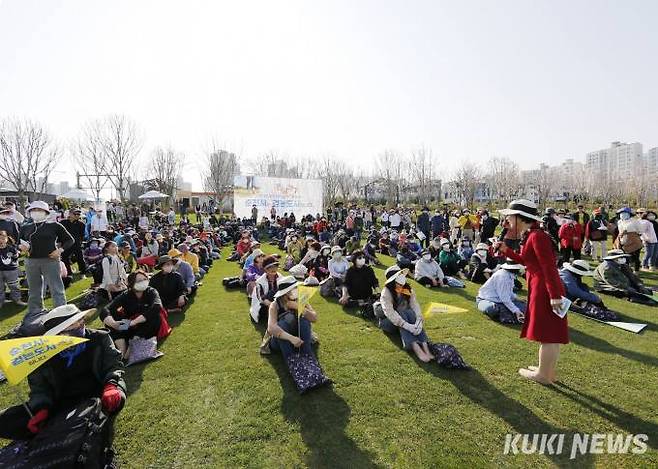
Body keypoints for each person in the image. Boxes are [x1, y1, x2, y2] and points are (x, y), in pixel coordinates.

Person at [0, 304, 126, 453]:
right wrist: (42, 408)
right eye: (73, 325)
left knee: (117, 397)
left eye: (81, 321)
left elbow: (114, 365)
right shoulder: (42, 354)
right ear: (59, 333)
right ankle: (53, 431)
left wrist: (111, 385)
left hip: (97, 395)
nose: (80, 325)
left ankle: (80, 428)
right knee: (8, 419)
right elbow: (40, 388)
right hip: (60, 403)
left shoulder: (99, 338)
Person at [496, 199, 566, 385]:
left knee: (547, 334)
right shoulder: (534, 235)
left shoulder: (537, 237)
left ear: (520, 217)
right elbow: (528, 261)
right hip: (541, 286)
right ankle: (547, 371)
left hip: (545, 288)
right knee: (551, 334)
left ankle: (543, 375)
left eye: (510, 216)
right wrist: (506, 251)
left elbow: (548, 267)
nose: (508, 220)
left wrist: (554, 296)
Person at [18, 201, 75, 334]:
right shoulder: (25, 227)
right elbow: (18, 243)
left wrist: (59, 250)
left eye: (39, 209)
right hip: (31, 261)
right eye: (34, 209)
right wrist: (21, 248)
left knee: (56, 288)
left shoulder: (54, 225)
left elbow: (69, 240)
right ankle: (35, 313)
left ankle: (61, 313)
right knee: (34, 289)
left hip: (50, 260)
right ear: (30, 212)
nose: (36, 212)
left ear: (46, 212)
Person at [101, 270, 163, 359]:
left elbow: (157, 306)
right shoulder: (126, 295)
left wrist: (133, 322)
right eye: (139, 281)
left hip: (144, 325)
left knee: (156, 317)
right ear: (132, 283)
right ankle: (122, 350)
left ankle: (134, 342)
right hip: (130, 325)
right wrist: (114, 324)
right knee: (113, 318)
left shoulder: (151, 291)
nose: (143, 282)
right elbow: (106, 309)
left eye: (145, 279)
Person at [378, 265, 435, 362]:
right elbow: (390, 314)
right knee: (401, 312)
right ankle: (414, 345)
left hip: (406, 317)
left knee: (409, 311)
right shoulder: (386, 293)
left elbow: (414, 304)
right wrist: (407, 326)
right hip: (389, 322)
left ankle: (424, 344)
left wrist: (418, 320)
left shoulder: (407, 289)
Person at [0, 230, 26, 307]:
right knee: (0, 287)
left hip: (11, 270)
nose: (1, 240)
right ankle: (1, 301)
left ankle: (17, 299)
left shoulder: (11, 248)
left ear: (7, 239)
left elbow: (16, 257)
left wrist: (17, 254)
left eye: (3, 238)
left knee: (14, 286)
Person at [59, 207, 87, 277]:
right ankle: (68, 272)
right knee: (65, 258)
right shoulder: (62, 223)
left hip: (76, 243)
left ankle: (83, 272)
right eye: (75, 214)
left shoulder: (81, 224)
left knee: (80, 258)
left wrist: (79, 241)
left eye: (78, 214)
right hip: (66, 244)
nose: (77, 215)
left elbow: (82, 235)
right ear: (70, 214)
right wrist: (59, 243)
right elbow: (59, 234)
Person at [614, 207, 642, 271]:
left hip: (633, 240)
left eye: (625, 213)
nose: (623, 214)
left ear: (629, 214)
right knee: (624, 256)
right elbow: (619, 231)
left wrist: (632, 234)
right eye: (621, 213)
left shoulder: (634, 221)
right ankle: (626, 269)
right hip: (622, 240)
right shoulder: (619, 222)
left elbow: (640, 230)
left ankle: (636, 270)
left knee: (635, 256)